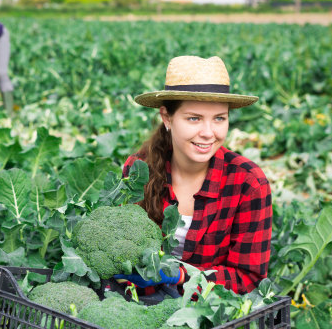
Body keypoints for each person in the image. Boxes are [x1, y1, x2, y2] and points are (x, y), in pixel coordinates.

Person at [115, 55, 272, 295]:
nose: (208, 133)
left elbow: (248, 277)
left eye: (219, 118)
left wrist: (181, 276)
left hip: (211, 311)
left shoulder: (248, 182)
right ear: (167, 117)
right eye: (194, 118)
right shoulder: (138, 170)